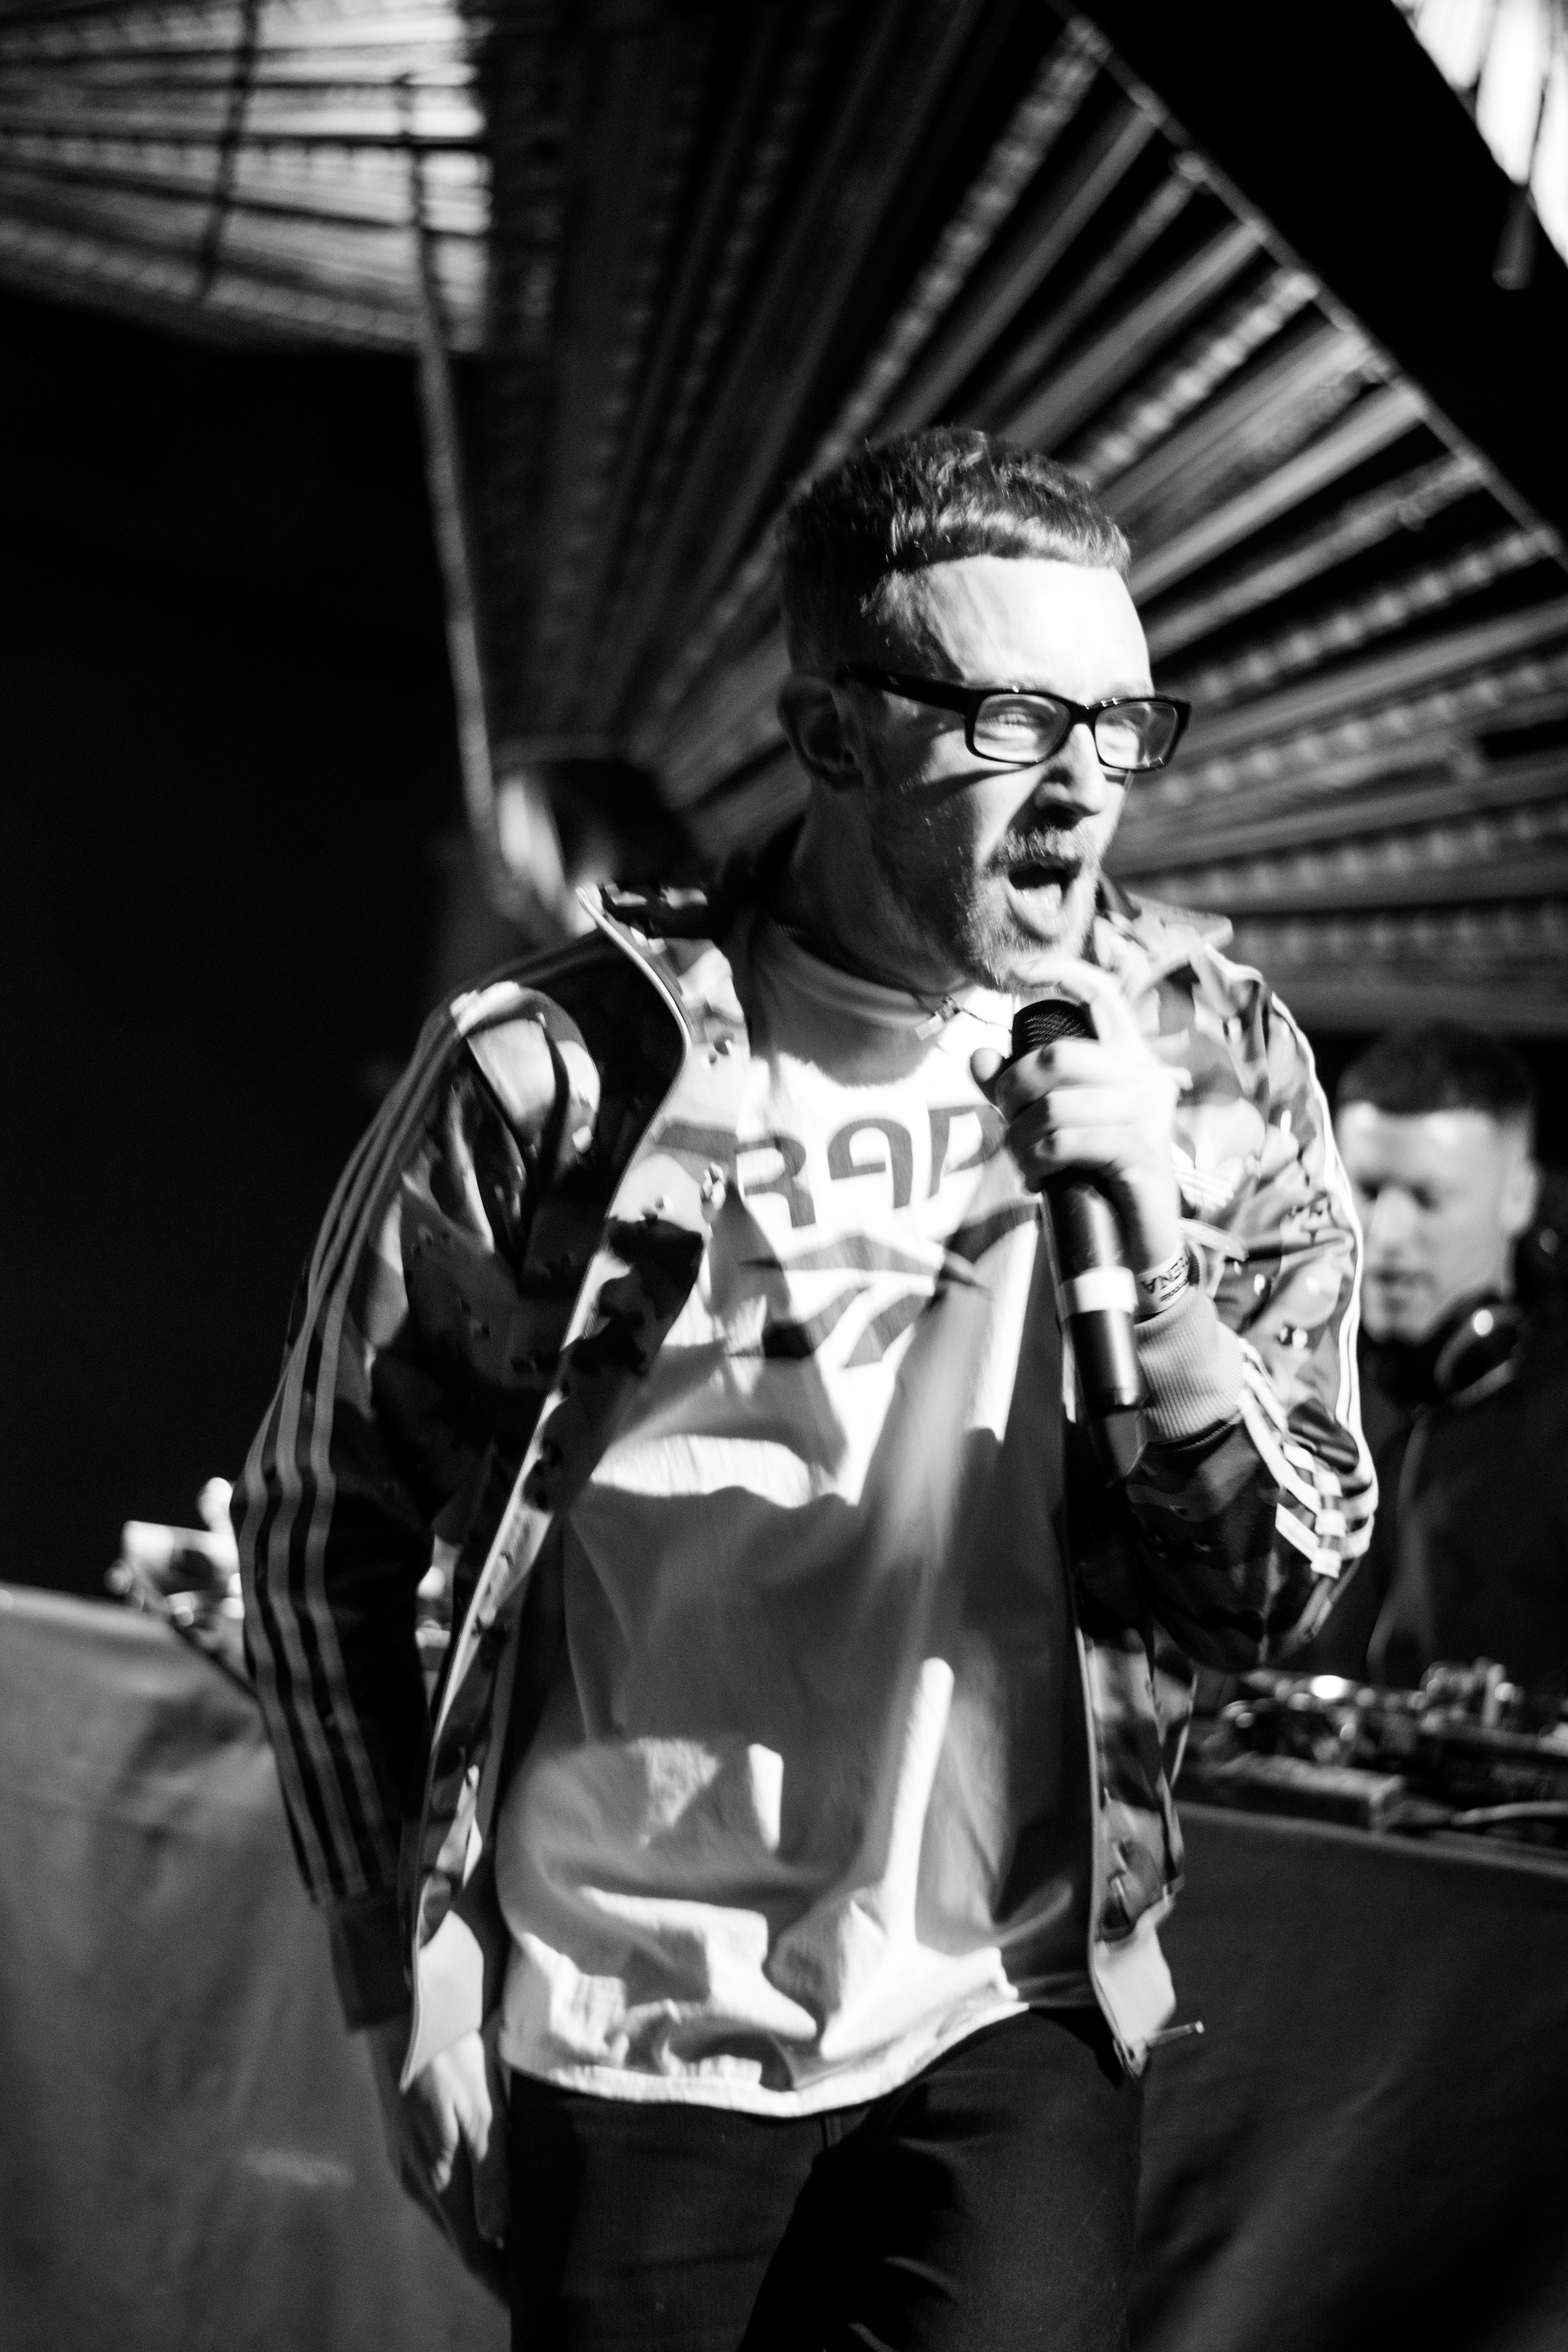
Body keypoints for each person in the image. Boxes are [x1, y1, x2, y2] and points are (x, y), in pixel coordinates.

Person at [235, 427, 1372, 2352]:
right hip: (626, 2010)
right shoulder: (559, 1072)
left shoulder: (1204, 1057)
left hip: (1009, 2008)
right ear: (830, 735)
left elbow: (1275, 1588)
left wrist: (1158, 1269)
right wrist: (397, 1962)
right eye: (1013, 721)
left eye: (1120, 723)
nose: (1084, 784)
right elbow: (311, 1520)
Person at [1299, 1021, 1568, 1693]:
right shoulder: (1287, 1372)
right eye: (1366, 1191)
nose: (1387, 1235)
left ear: (1518, 1198)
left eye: (1427, 1199)